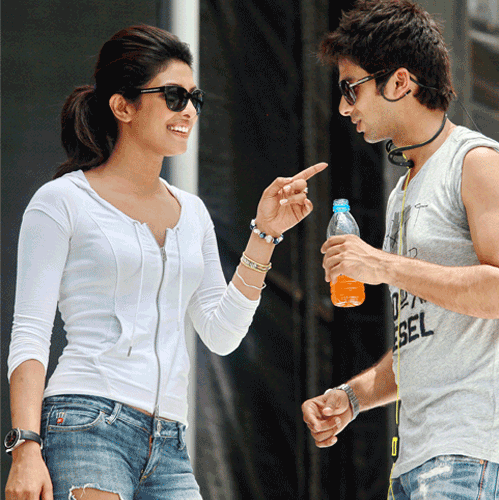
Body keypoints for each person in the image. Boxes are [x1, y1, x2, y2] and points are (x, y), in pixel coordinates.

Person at [5, 25, 326, 500]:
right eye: (174, 96)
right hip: (86, 422)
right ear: (123, 106)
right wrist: (26, 447)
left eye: (195, 97)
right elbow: (30, 333)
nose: (190, 111)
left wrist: (265, 235)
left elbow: (221, 333)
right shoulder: (61, 202)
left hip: (171, 443)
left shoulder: (192, 213)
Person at [300, 2, 499, 499]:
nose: (345, 107)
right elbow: (425, 343)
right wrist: (350, 399)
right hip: (419, 458)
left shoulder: (476, 162)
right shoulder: (404, 190)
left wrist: (382, 264)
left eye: (351, 88)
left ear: (400, 82)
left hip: (475, 453)